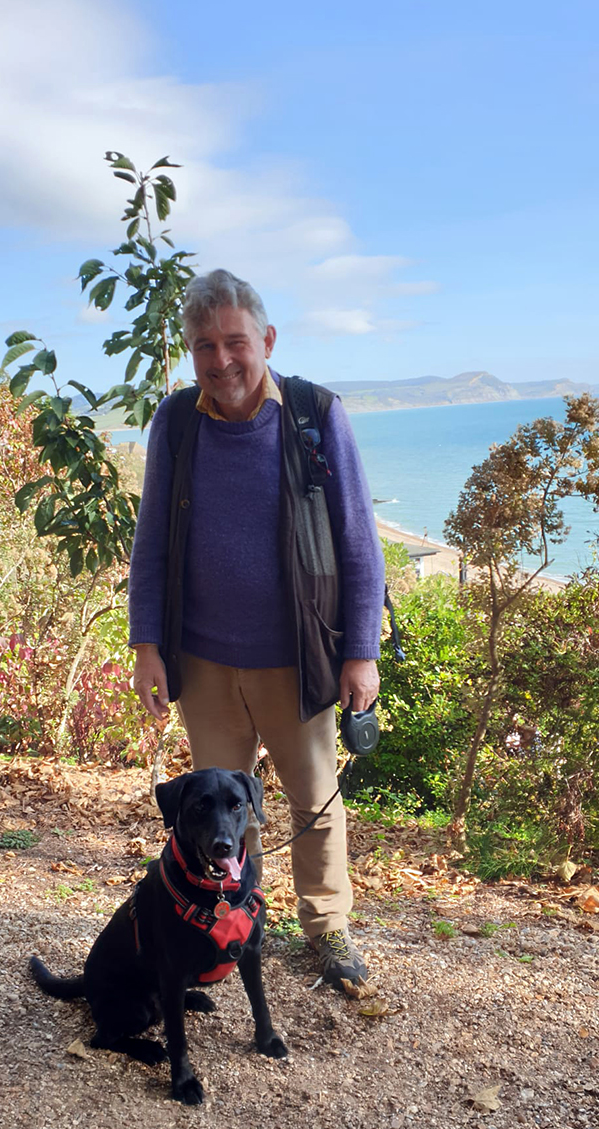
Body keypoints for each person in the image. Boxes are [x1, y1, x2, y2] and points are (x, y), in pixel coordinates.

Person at [127, 269, 384, 991]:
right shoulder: (177, 422)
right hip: (203, 664)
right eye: (204, 345)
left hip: (297, 658)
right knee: (224, 812)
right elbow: (151, 542)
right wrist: (147, 646)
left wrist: (360, 652)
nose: (221, 360)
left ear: (265, 340)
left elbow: (360, 539)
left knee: (313, 799)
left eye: (235, 341)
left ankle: (328, 931)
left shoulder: (312, 414)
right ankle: (244, 921)